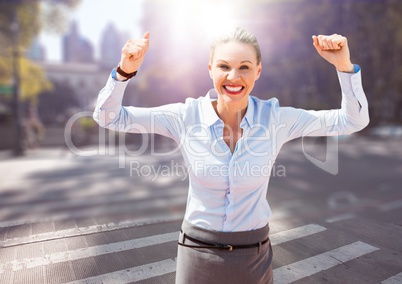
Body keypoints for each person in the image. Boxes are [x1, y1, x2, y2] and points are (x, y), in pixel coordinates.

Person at [93, 28, 369, 284]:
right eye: (224, 66)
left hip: (254, 258)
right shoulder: (186, 116)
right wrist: (124, 72)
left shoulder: (275, 119)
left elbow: (351, 121)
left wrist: (344, 67)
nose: (234, 77)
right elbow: (108, 117)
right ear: (211, 69)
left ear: (258, 71)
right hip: (196, 253)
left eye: (244, 68)